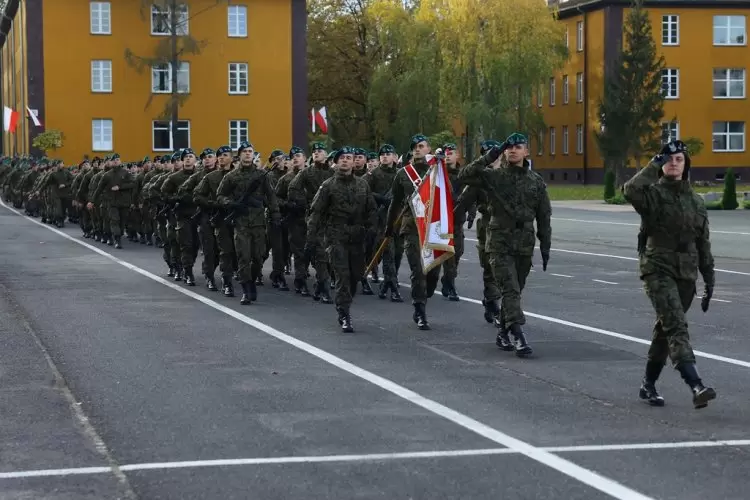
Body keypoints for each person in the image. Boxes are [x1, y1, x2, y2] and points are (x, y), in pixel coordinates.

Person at [622, 140, 716, 409]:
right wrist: (654, 162)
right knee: (676, 326)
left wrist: (709, 280)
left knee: (665, 331)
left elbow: (703, 244)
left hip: (686, 272)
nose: (673, 163)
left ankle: (648, 385)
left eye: (678, 159)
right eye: (668, 159)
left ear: (686, 165)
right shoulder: (651, 195)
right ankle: (696, 385)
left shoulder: (696, 202)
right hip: (657, 268)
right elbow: (630, 190)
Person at [458, 133, 551, 357]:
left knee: (516, 290)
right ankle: (519, 335)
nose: (512, 151)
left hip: (524, 244)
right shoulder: (494, 176)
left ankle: (502, 332)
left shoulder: (536, 181)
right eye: (509, 147)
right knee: (510, 290)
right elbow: (464, 175)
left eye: (518, 147)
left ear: (527, 152)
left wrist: (545, 246)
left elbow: (544, 216)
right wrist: (492, 154)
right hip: (499, 243)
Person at [305, 147, 377, 332]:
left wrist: (372, 231)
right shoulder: (328, 185)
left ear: (354, 162)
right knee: (343, 276)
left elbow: (371, 210)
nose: (345, 161)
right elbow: (316, 213)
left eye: (349, 158)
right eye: (341, 158)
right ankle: (344, 313)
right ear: (335, 162)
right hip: (336, 235)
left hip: (357, 236)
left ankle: (345, 303)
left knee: (355, 276)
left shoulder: (363, 185)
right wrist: (311, 238)